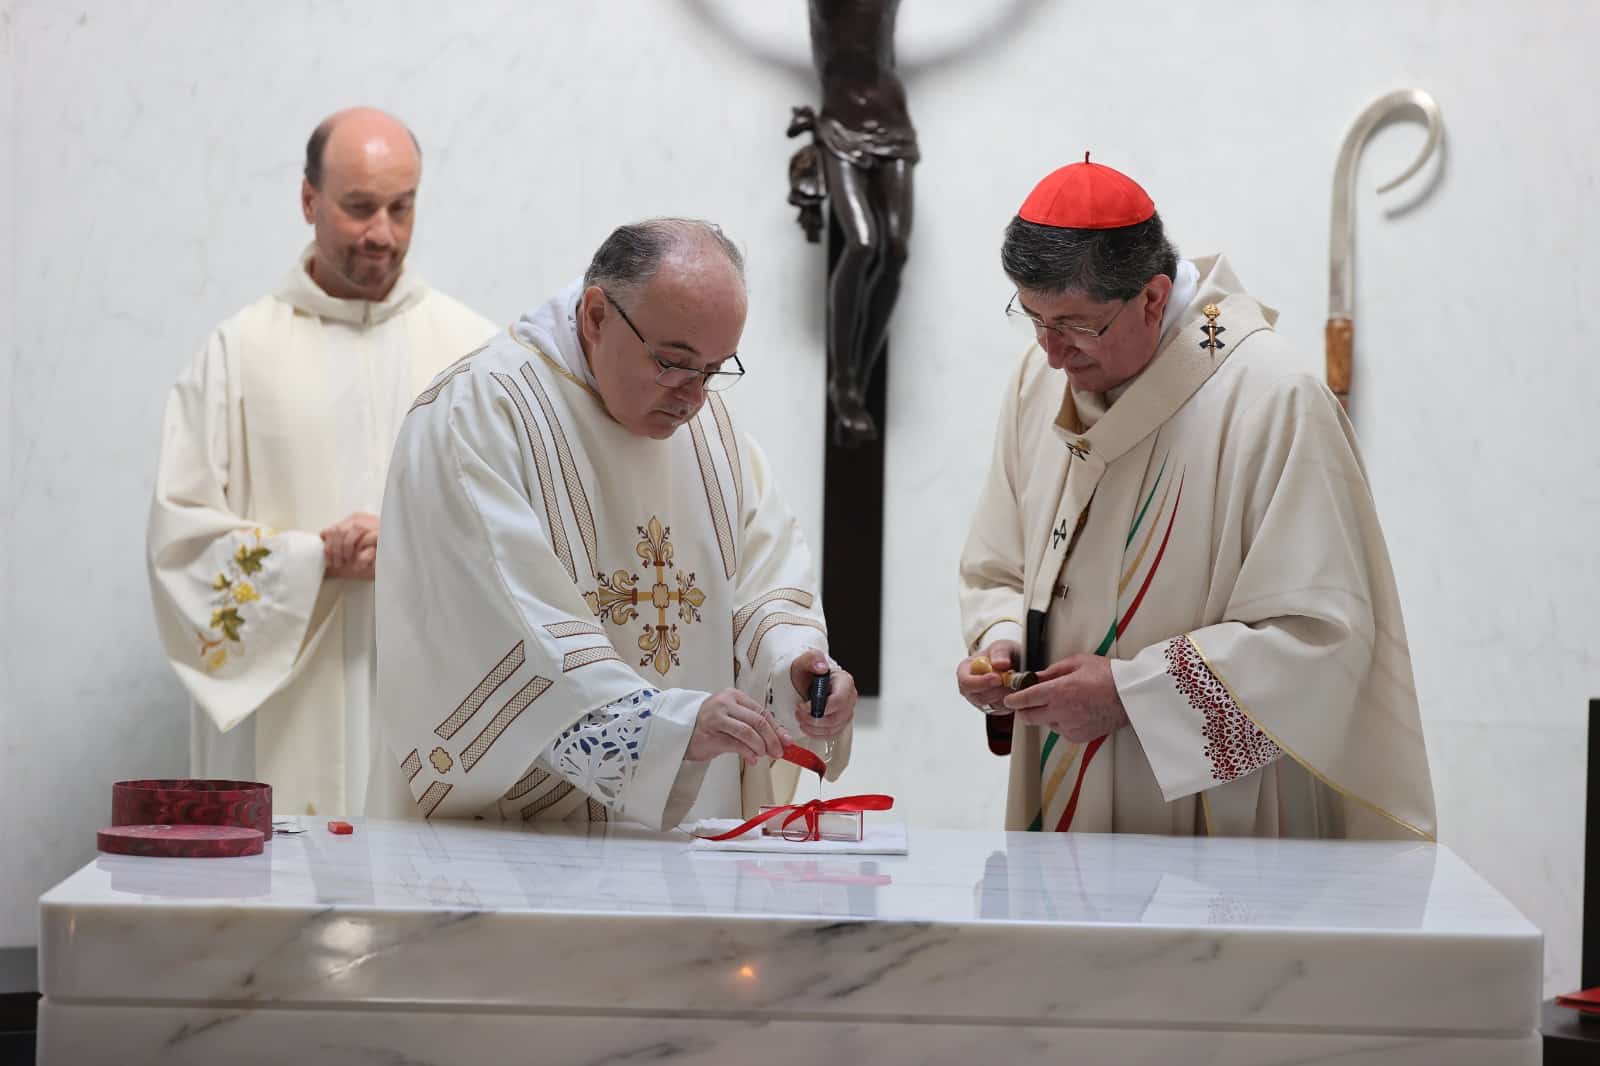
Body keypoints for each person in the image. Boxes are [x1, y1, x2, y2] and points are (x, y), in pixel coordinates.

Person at [955, 156, 1435, 839]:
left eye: (1076, 324)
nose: (1054, 353)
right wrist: (999, 644)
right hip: (1061, 774)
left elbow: (1322, 640)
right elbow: (996, 566)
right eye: (1033, 318)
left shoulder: (1270, 396)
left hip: (1209, 805)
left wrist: (1133, 696)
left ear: (1152, 298)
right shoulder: (1038, 379)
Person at [368, 218, 856, 825]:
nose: (693, 396)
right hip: (523, 844)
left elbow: (765, 580)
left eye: (714, 369)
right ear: (596, 316)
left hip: (691, 832)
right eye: (673, 362)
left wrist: (796, 667)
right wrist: (668, 730)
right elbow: (506, 628)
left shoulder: (710, 432)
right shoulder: (480, 413)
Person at [147, 107, 495, 817]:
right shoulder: (238, 355)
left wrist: (408, 550)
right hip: (284, 717)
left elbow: (528, 537)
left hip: (433, 714)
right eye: (359, 208)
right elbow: (178, 545)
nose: (382, 234)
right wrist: (315, 558)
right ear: (308, 201)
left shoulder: (476, 357)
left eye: (402, 208)